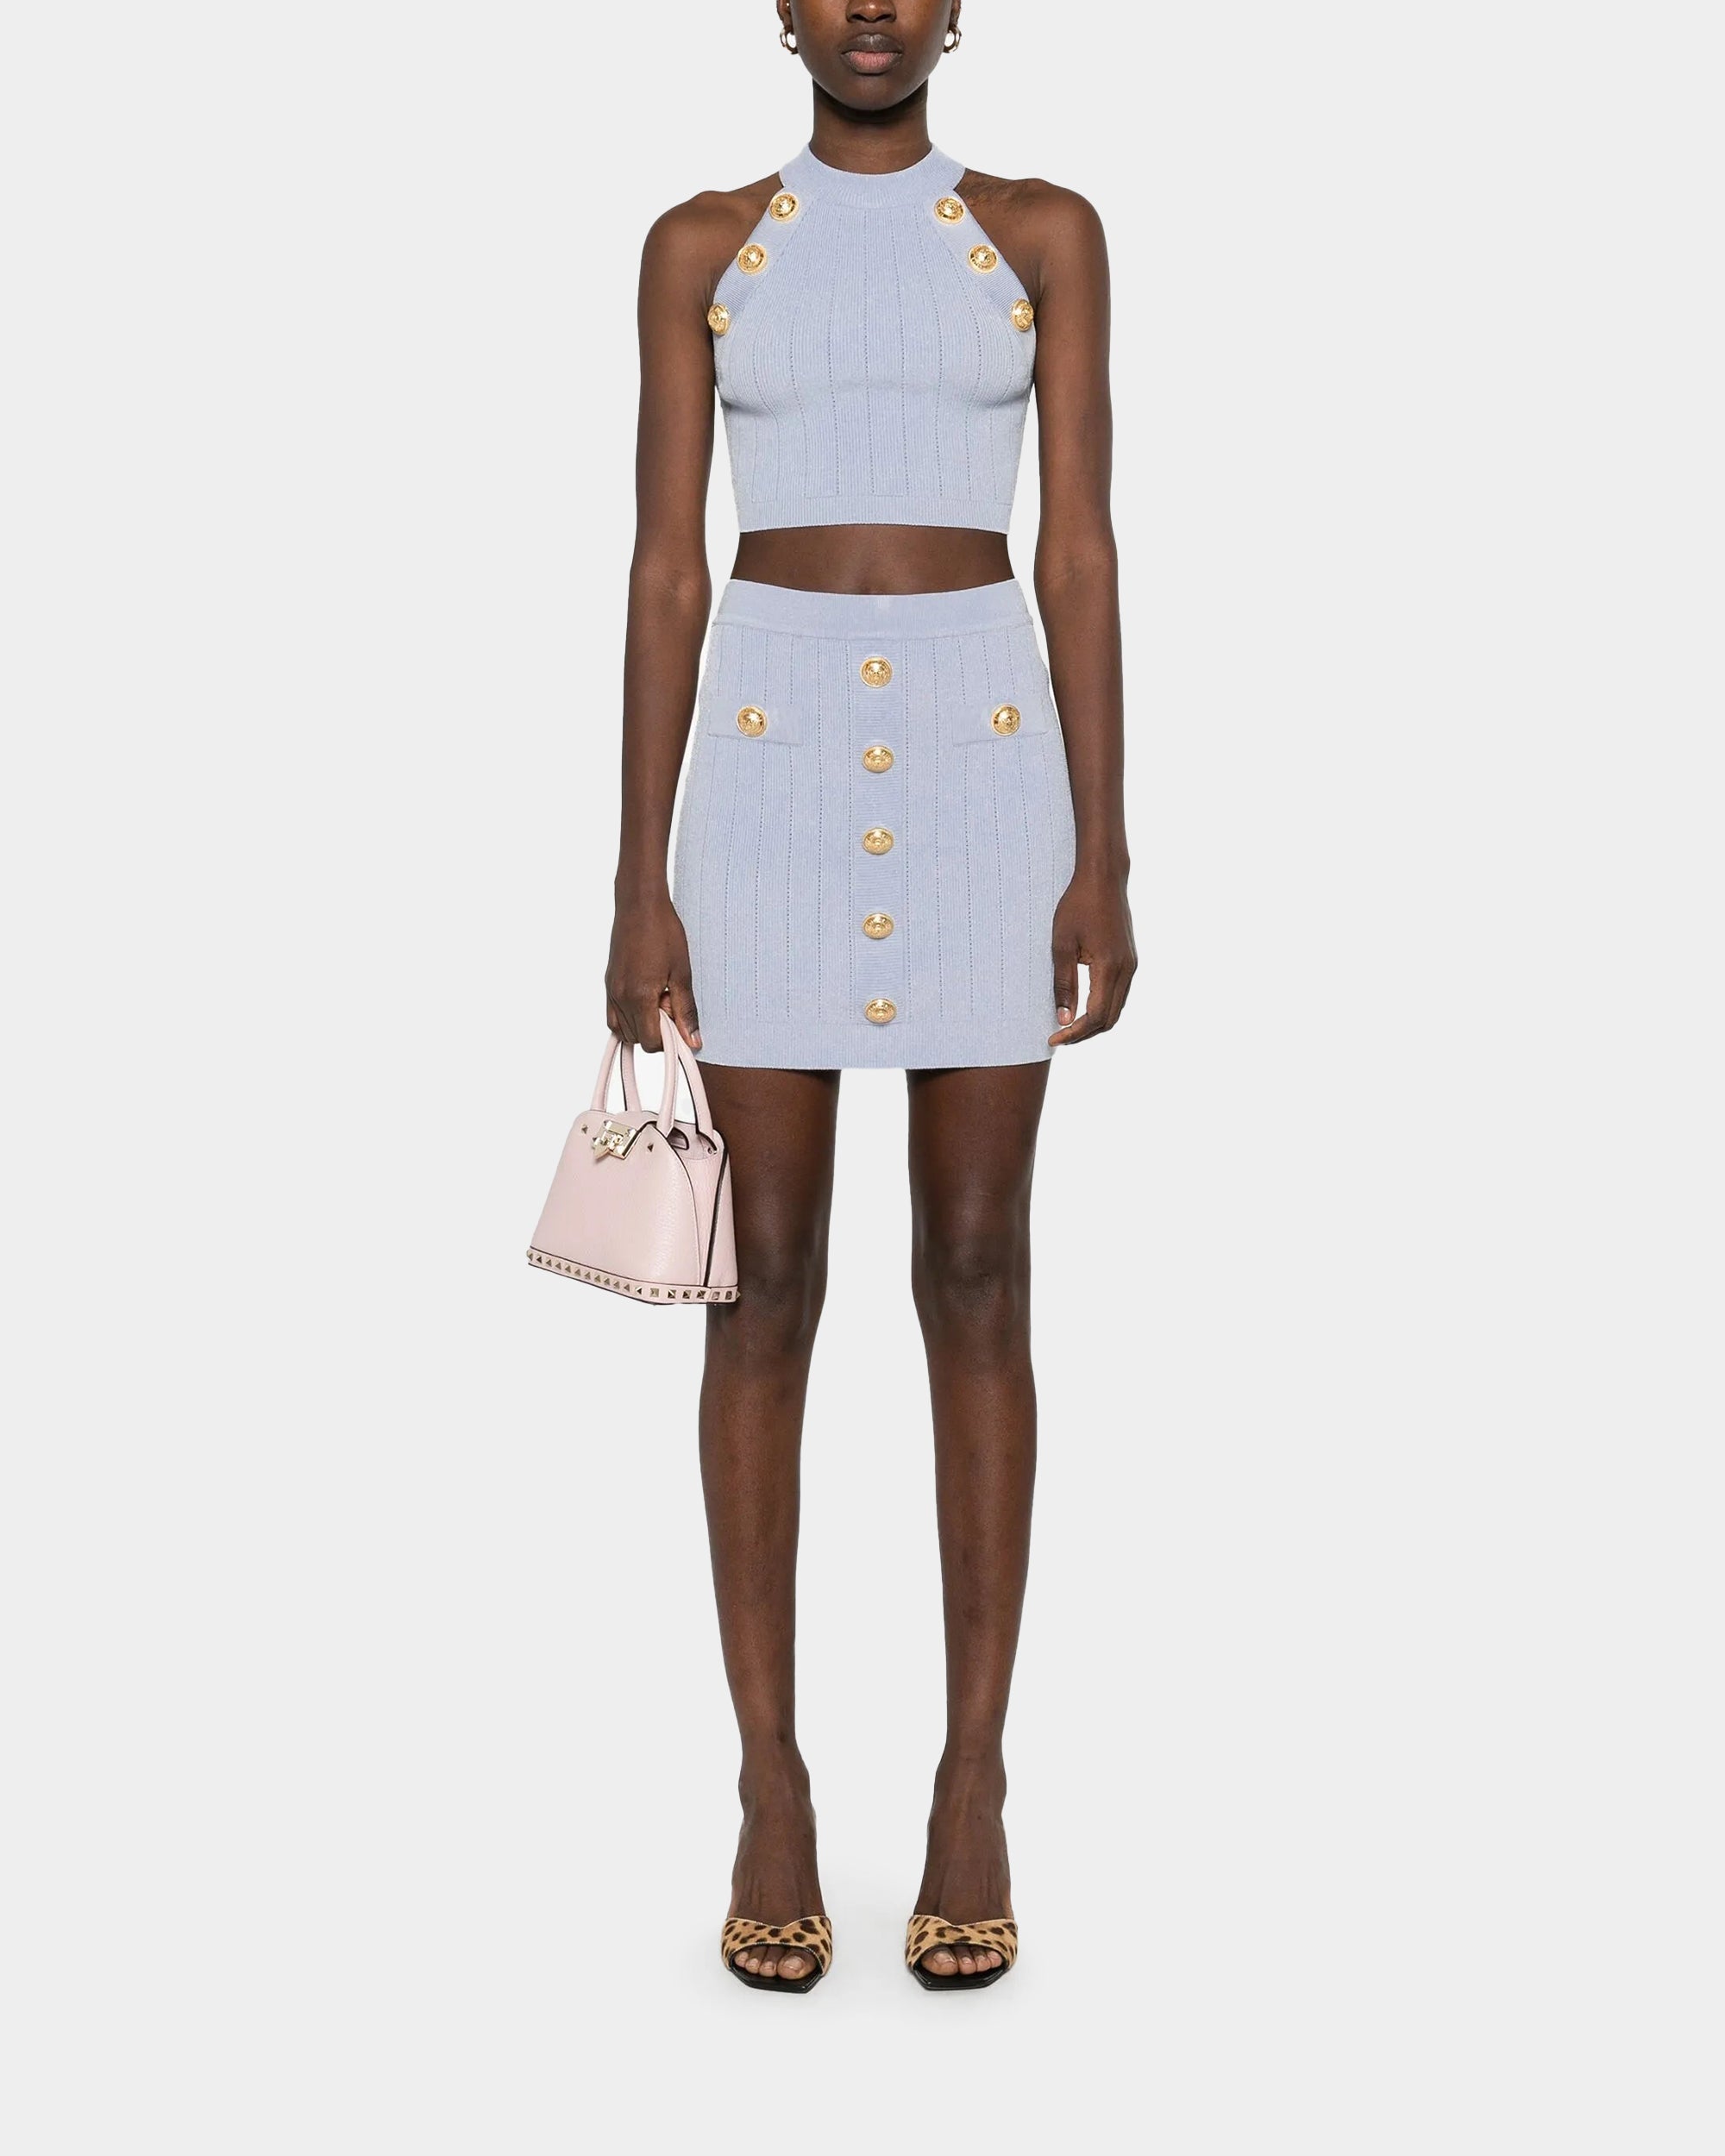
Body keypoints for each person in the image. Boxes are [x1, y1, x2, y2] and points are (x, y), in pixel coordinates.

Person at [603, 0, 1134, 1990]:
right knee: (763, 1287)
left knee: (979, 1267)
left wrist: (1105, 844)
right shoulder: (700, 244)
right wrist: (638, 875)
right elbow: (668, 566)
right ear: (782, 10)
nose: (872, 13)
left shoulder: (1042, 231)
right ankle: (771, 1785)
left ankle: (971, 1780)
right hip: (762, 778)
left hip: (993, 767)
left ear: (957, 8)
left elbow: (1077, 548)